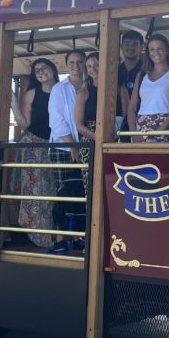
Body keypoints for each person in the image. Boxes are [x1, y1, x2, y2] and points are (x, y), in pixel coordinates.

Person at [11, 58, 59, 247]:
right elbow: (24, 124)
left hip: (58, 145)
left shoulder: (64, 89)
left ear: (53, 69)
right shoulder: (31, 94)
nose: (40, 72)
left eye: (44, 68)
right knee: (34, 192)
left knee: (53, 192)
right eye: (36, 70)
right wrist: (14, 104)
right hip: (34, 146)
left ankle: (54, 236)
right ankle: (36, 238)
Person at [49, 50, 87, 234]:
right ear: (66, 65)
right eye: (71, 62)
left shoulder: (92, 85)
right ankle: (64, 236)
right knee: (64, 192)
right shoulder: (59, 88)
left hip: (87, 146)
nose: (76, 66)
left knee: (84, 191)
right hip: (63, 147)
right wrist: (73, 146)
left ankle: (82, 234)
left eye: (80, 62)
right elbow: (56, 120)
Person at [127, 34, 169, 142]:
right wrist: (133, 132)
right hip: (141, 126)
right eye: (152, 49)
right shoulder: (141, 76)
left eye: (160, 49)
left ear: (167, 50)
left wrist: (162, 128)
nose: (156, 52)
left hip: (166, 125)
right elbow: (132, 107)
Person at [75, 52, 100, 191]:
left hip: (116, 136)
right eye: (89, 66)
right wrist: (98, 137)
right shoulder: (83, 92)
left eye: (96, 65)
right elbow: (79, 125)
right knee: (92, 184)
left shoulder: (119, 89)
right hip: (90, 140)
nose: (93, 69)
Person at [117, 30, 144, 142]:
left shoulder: (147, 70)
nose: (130, 48)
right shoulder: (114, 71)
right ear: (121, 46)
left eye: (135, 44)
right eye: (127, 44)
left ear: (142, 47)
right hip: (119, 124)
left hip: (142, 122)